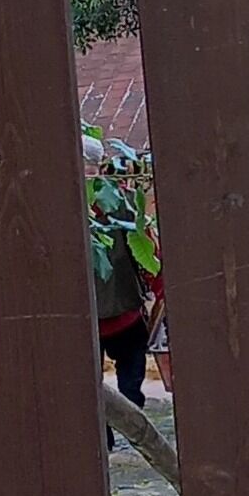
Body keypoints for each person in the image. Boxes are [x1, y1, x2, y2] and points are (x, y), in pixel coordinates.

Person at [87, 139, 156, 430]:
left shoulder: (123, 204)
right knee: (120, 378)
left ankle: (115, 432)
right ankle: (125, 430)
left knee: (108, 382)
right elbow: (149, 254)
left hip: (105, 315)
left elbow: (147, 254)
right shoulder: (123, 201)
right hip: (111, 313)